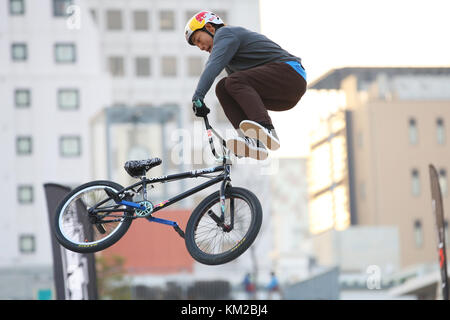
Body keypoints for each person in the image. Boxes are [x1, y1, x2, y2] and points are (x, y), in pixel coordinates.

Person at [185, 11, 307, 160]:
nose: (201, 47)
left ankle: (266, 128)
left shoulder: (225, 33)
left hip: (291, 75)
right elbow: (237, 94)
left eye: (198, 40)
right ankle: (252, 141)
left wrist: (198, 96)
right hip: (284, 96)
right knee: (223, 88)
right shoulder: (231, 58)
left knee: (232, 81)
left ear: (210, 28)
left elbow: (212, 66)